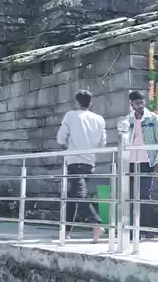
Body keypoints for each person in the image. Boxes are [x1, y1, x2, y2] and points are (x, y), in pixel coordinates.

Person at [56, 89, 107, 242]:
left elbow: (60, 138)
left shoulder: (70, 115)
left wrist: (66, 144)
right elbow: (103, 143)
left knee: (79, 194)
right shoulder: (99, 119)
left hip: (74, 160)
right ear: (90, 103)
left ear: (77, 102)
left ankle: (97, 224)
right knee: (73, 197)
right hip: (89, 162)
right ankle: (65, 233)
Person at [126, 90, 158, 229]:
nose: (140, 105)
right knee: (131, 195)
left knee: (144, 194)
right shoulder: (128, 120)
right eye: (137, 103)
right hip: (130, 162)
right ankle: (132, 227)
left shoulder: (153, 118)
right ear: (131, 104)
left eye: (142, 102)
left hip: (147, 161)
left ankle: (146, 227)